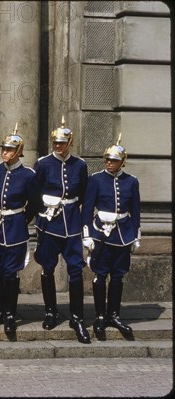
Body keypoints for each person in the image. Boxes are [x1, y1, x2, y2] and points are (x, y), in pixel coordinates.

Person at [33, 117, 91, 344]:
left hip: (72, 222)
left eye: (62, 143)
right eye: (55, 143)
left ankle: (77, 317)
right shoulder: (43, 163)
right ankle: (50, 312)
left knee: (76, 269)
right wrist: (42, 214)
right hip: (49, 222)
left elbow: (85, 195)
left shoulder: (80, 165)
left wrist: (84, 225)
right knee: (48, 267)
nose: (58, 146)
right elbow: (35, 193)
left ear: (70, 143)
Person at [0, 125, 39, 335]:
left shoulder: (28, 175)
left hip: (15, 229)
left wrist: (21, 218)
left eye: (10, 150)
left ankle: (10, 314)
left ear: (19, 152)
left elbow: (34, 203)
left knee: (10, 273)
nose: (5, 153)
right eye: (4, 149)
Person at [82, 134, 140, 339]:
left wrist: (136, 235)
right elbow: (87, 209)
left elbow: (135, 211)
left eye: (113, 160)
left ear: (122, 162)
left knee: (118, 276)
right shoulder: (95, 180)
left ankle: (114, 315)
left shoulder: (132, 182)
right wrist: (87, 234)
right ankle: (99, 316)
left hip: (123, 234)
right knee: (100, 275)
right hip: (101, 234)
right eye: (107, 159)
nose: (109, 163)